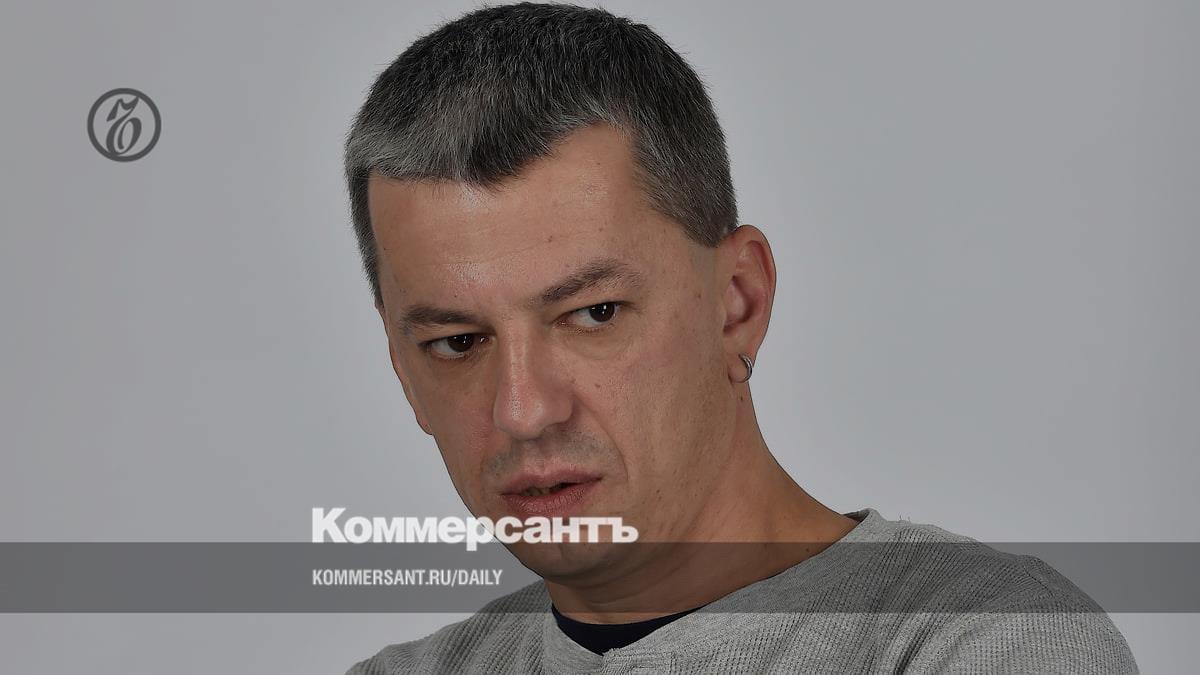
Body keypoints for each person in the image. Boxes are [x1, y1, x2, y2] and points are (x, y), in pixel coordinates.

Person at [341, 3, 1137, 672]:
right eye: (457, 341)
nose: (522, 410)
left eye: (595, 313)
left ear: (737, 303)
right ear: (402, 368)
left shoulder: (988, 641)